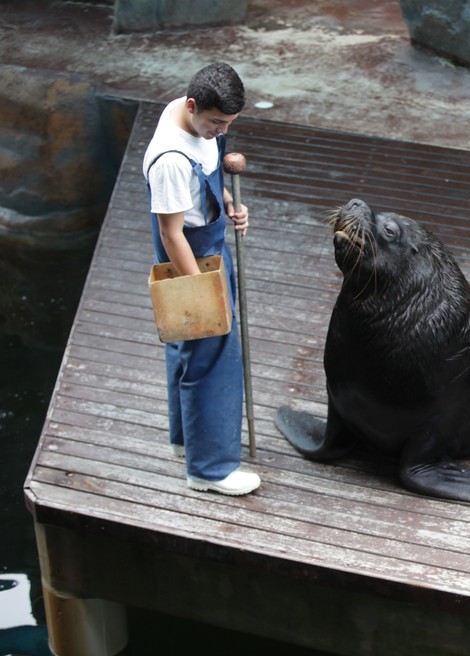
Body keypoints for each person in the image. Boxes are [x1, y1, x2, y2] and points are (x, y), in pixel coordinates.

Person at [142, 62, 260, 495]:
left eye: (227, 124)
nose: (220, 131)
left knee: (188, 349)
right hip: (190, 256)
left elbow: (205, 176)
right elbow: (171, 233)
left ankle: (185, 441)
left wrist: (228, 201)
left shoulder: (187, 114)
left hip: (208, 241)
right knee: (212, 357)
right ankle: (209, 469)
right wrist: (201, 293)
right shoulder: (171, 161)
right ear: (193, 106)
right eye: (215, 123)